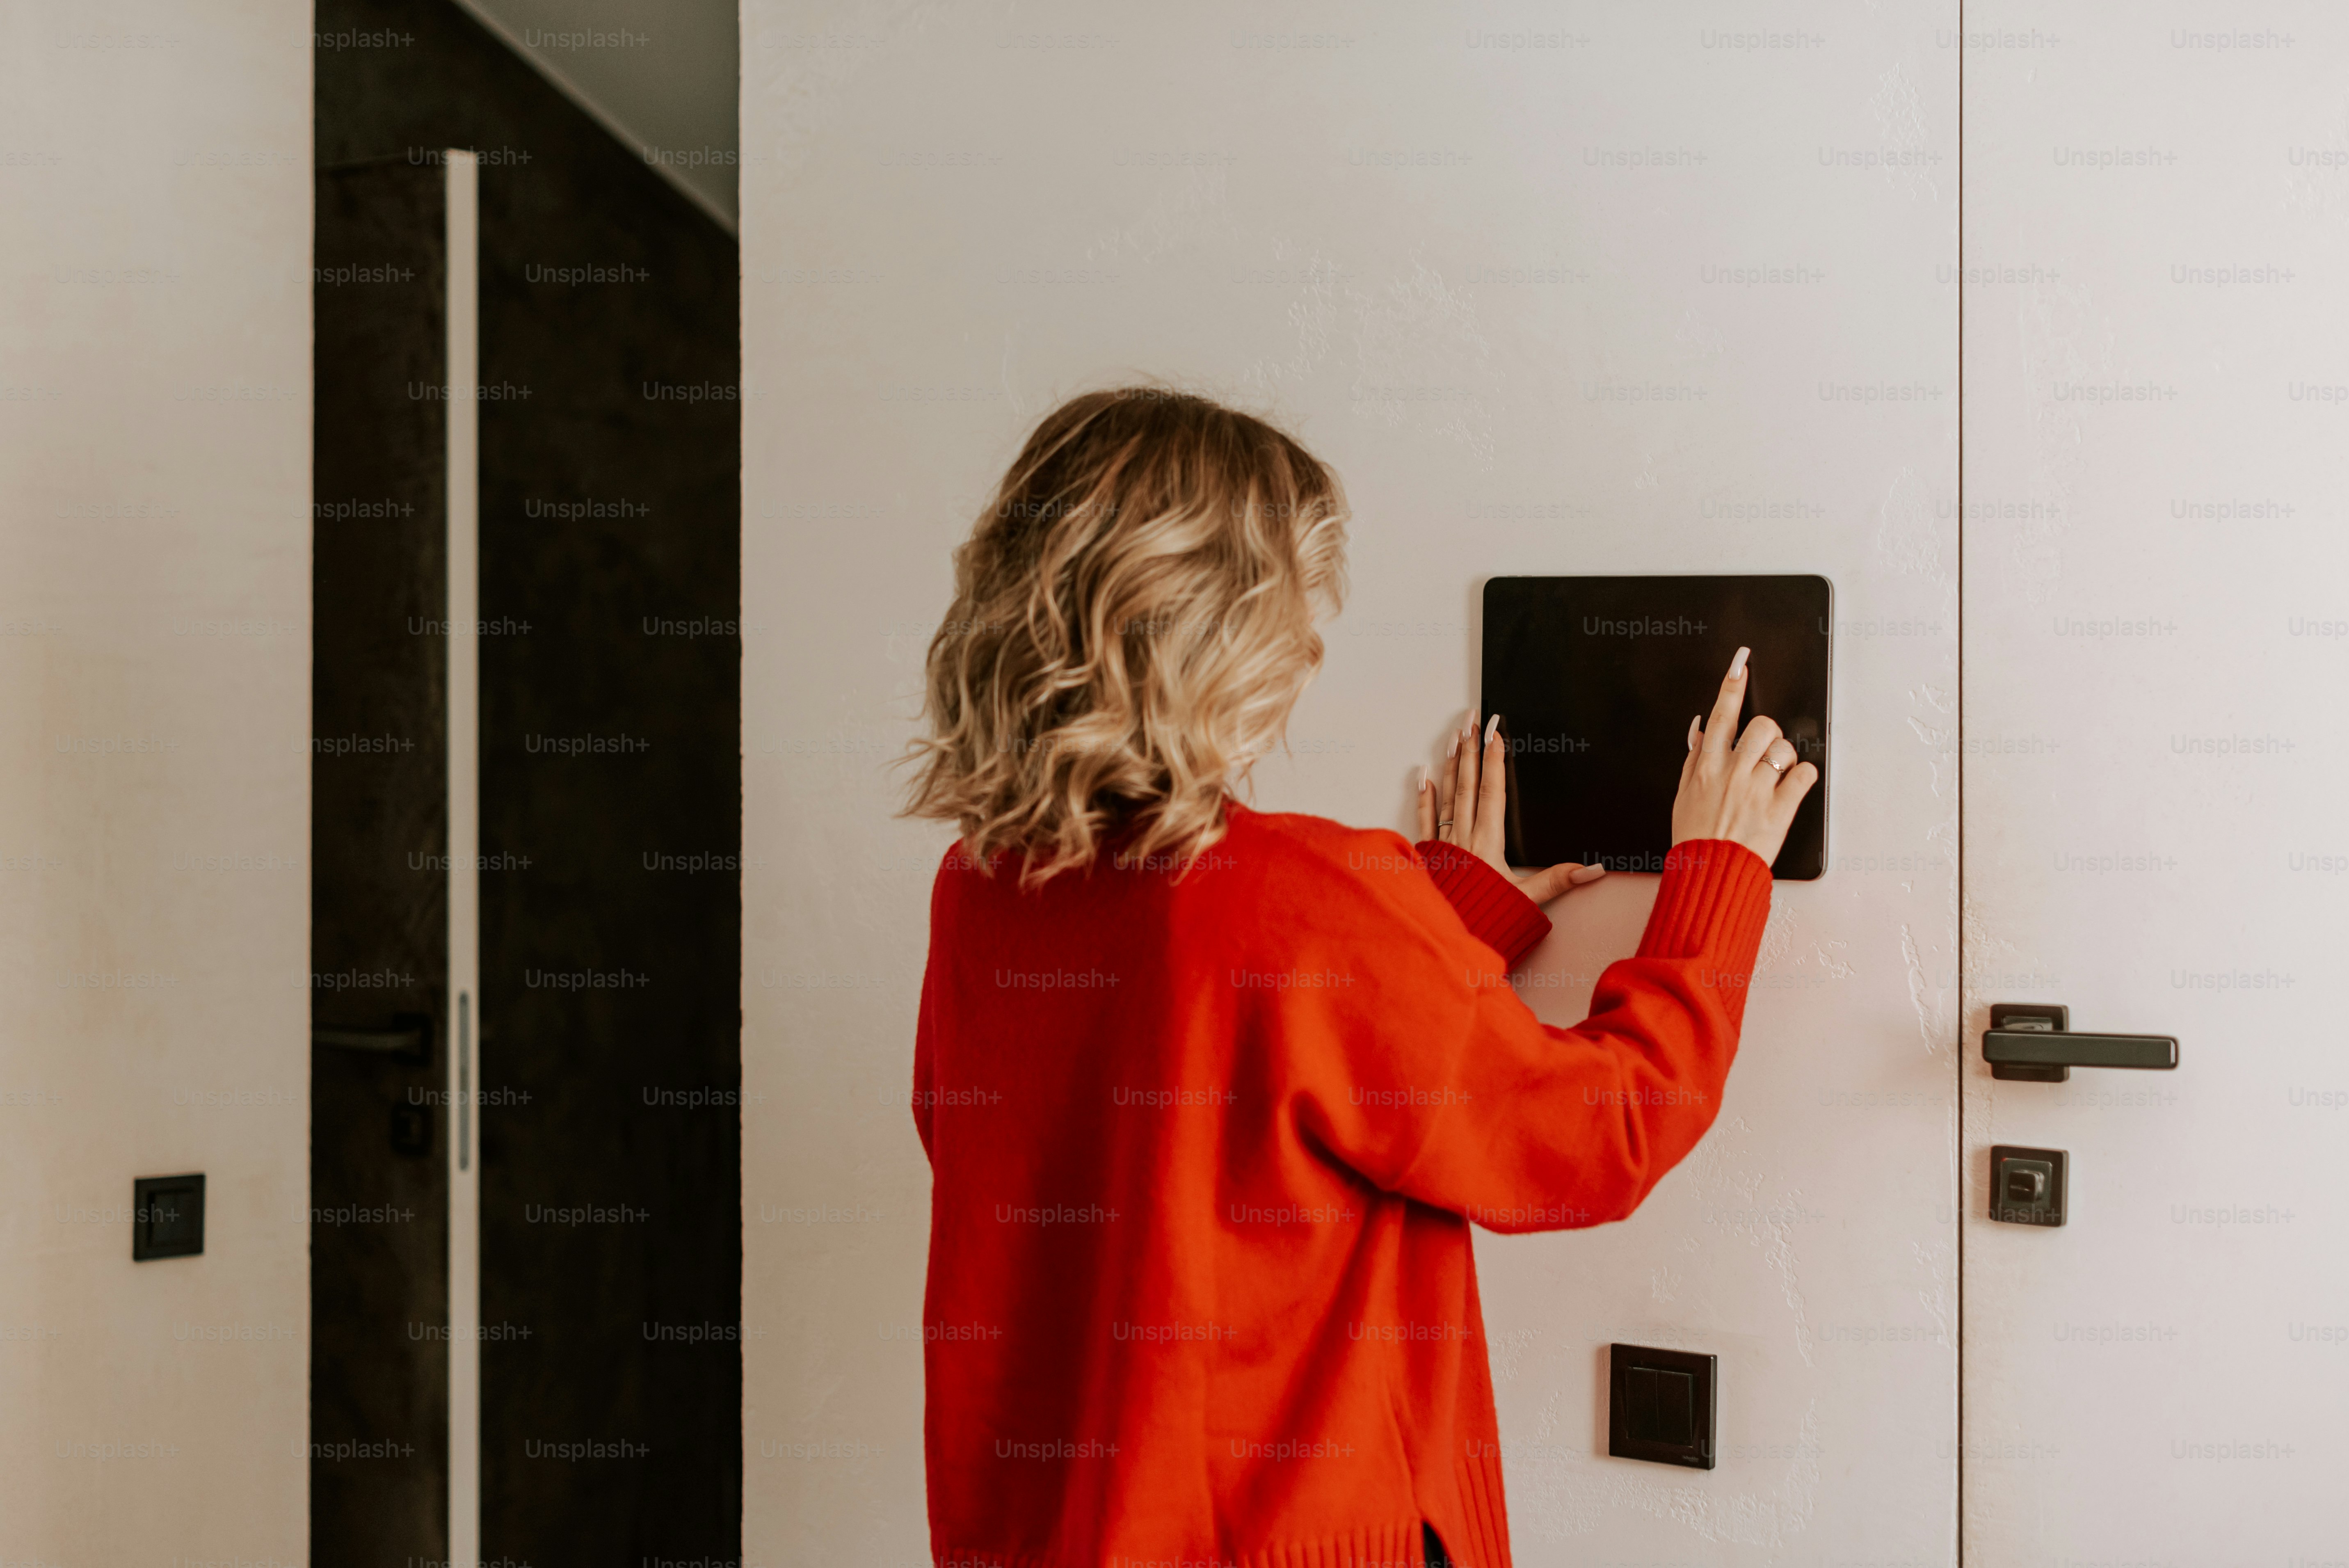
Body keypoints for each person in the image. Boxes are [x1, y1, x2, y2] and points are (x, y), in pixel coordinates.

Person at [902, 388, 1818, 1568]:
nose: (1311, 646)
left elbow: (1169, 1125)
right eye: (1293, 606)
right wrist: (1720, 871)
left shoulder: (982, 887)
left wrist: (1443, 926)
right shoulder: (1299, 895)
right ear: (1214, 628)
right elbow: (1601, 1134)